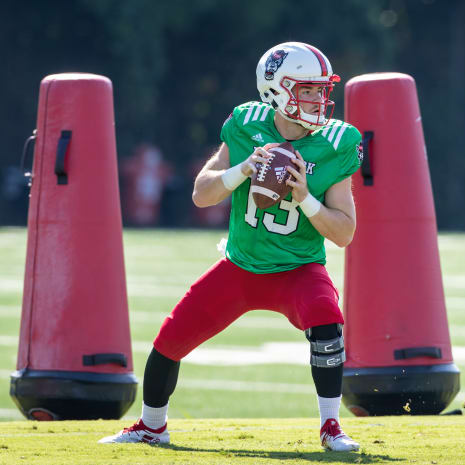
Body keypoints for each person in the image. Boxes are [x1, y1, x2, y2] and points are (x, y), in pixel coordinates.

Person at [99, 41, 363, 452]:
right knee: (170, 338)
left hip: (299, 269)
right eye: (308, 90)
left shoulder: (339, 140)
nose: (318, 99)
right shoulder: (246, 122)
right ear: (276, 89)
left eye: (321, 90)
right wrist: (243, 168)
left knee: (328, 320)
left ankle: (331, 427)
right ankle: (152, 427)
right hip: (240, 267)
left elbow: (344, 233)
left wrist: (306, 198)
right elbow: (201, 195)